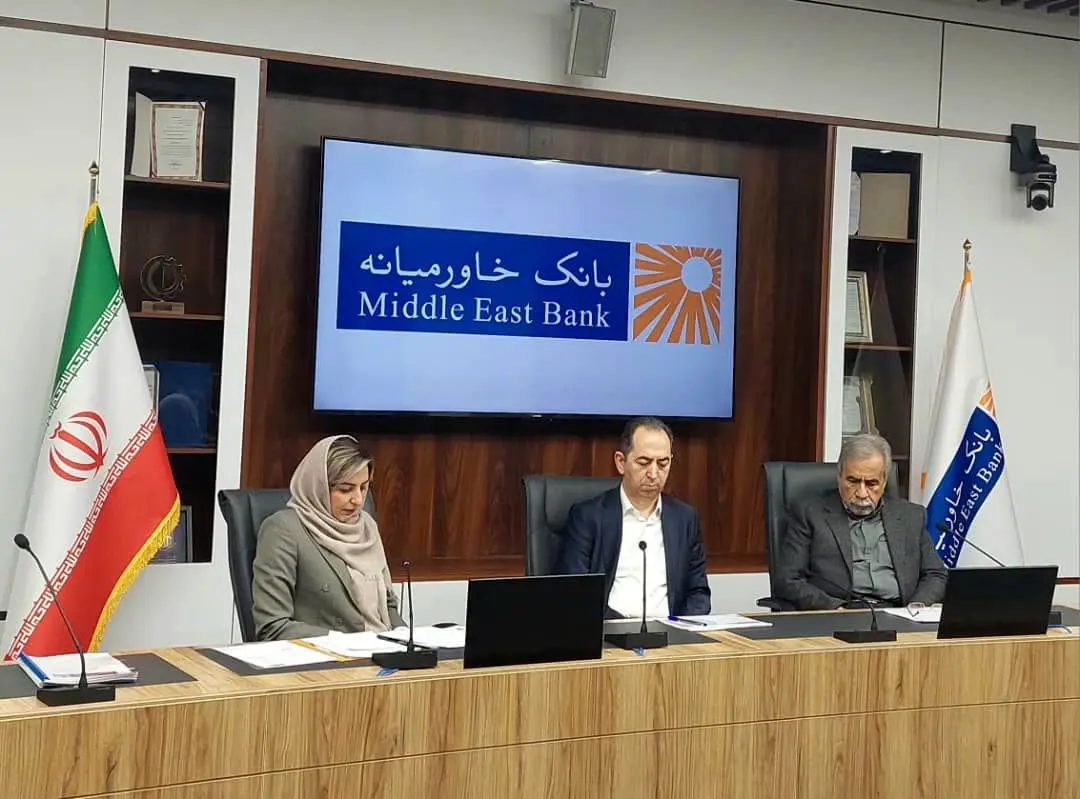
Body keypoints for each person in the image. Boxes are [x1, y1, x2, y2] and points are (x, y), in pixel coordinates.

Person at [251, 435, 403, 640]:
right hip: (330, 656)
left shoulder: (367, 526)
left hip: (385, 650)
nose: (358, 500)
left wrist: (406, 637)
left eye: (363, 487)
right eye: (345, 489)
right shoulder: (284, 530)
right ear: (319, 485)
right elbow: (273, 627)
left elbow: (388, 604)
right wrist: (345, 642)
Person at [557, 417, 711, 619]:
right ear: (621, 462)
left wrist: (680, 628)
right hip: (609, 631)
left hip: (671, 633)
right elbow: (576, 592)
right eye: (644, 462)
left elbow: (698, 592)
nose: (654, 474)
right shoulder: (588, 517)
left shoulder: (684, 519)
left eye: (663, 463)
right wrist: (625, 630)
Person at [774, 433, 947, 610]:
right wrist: (833, 608)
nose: (862, 493)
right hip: (841, 613)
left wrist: (916, 608)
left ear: (884, 481)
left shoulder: (911, 516)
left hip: (900, 613)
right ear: (839, 476)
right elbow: (788, 579)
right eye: (853, 481)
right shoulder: (810, 513)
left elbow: (935, 574)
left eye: (871, 483)